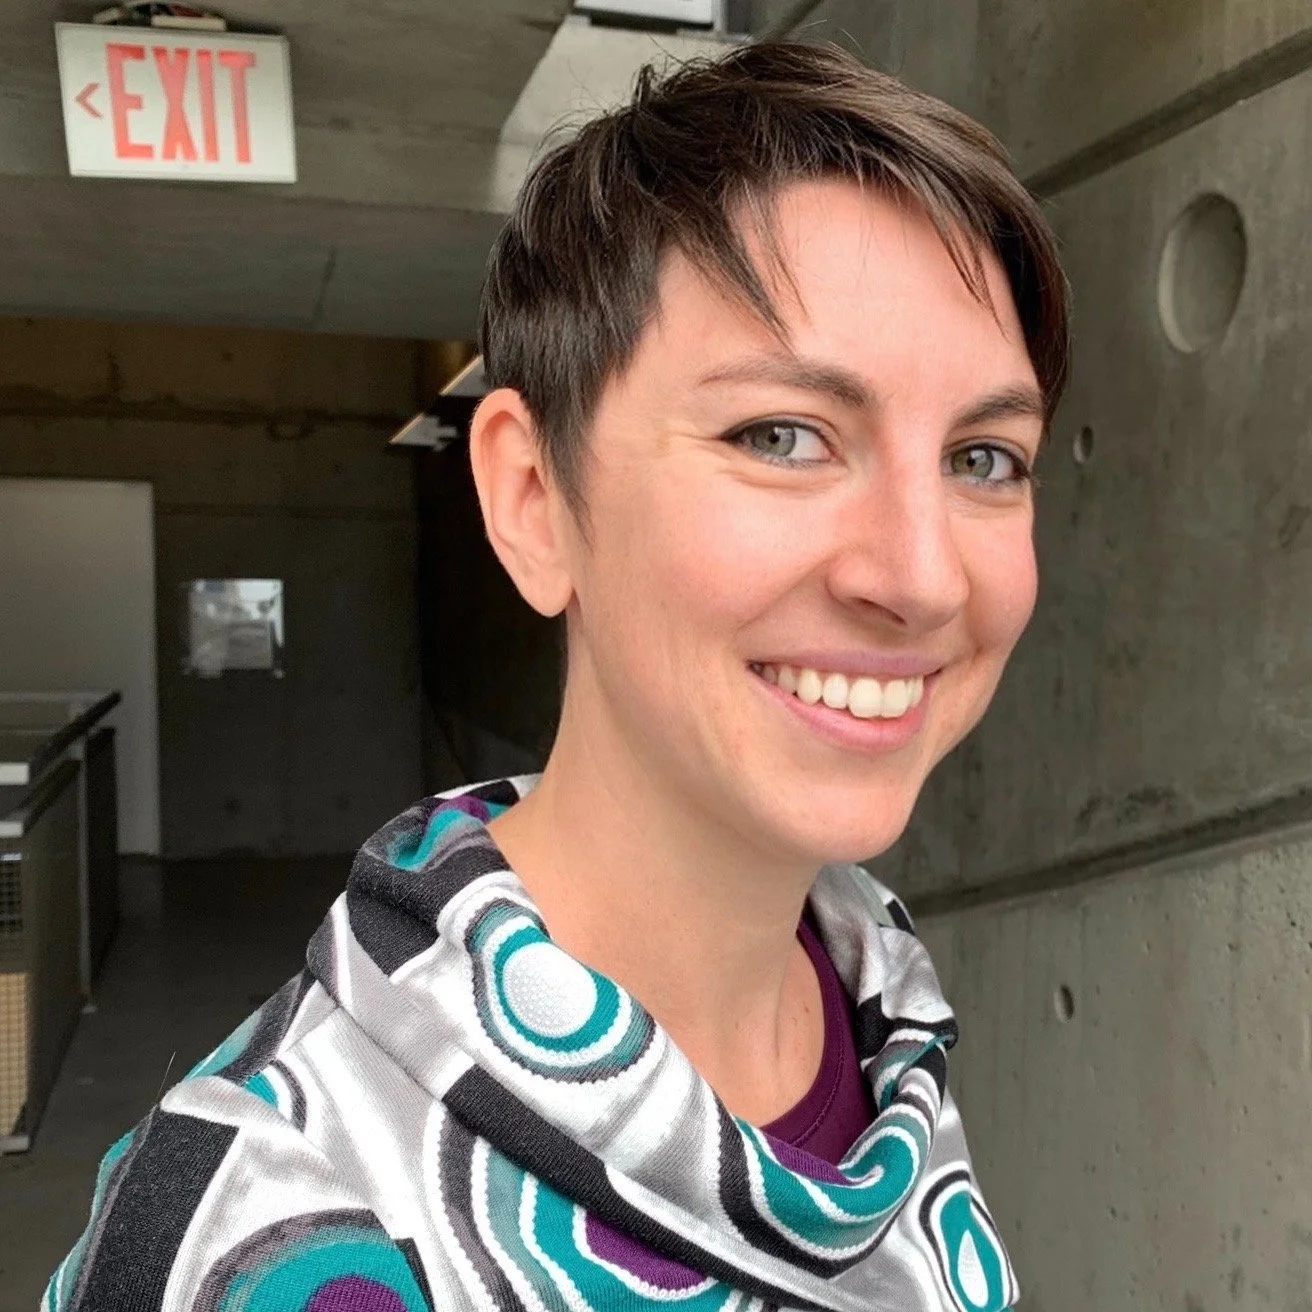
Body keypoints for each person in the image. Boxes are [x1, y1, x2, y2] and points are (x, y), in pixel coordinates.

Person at [47, 40, 1068, 1312]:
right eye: (782, 435)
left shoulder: (884, 1030)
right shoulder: (260, 1227)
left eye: (984, 457)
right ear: (533, 499)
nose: (919, 577)